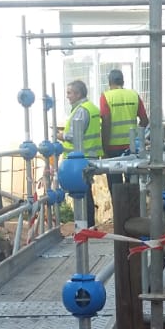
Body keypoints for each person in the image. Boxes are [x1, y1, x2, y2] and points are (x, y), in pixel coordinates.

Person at [61, 79, 102, 226]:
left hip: (80, 158)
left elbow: (74, 135)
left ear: (78, 94)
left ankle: (86, 227)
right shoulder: (92, 108)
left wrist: (61, 136)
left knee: (82, 195)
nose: (67, 96)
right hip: (90, 155)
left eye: (69, 93)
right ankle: (88, 227)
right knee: (85, 193)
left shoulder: (81, 110)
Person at [97, 68, 148, 159]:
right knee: (132, 172)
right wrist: (136, 138)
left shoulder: (106, 96)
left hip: (112, 148)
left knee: (113, 172)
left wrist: (104, 149)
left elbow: (106, 123)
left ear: (109, 82)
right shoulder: (134, 95)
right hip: (132, 146)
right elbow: (144, 120)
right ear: (123, 82)